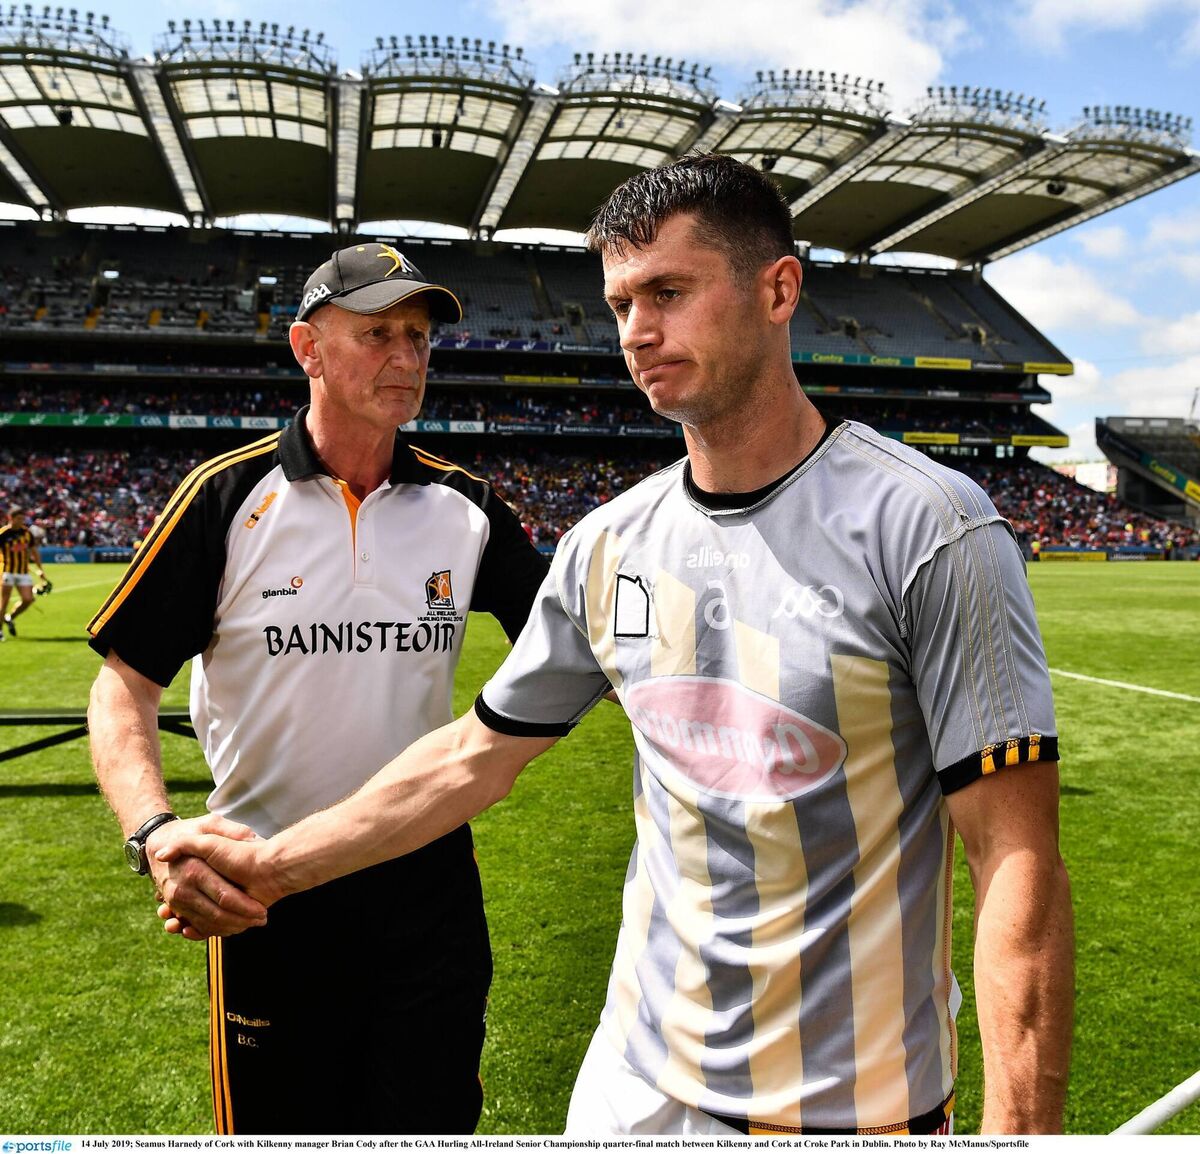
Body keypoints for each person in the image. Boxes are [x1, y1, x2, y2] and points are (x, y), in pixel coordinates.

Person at [158, 156, 1074, 1135]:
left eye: (670, 292)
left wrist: (1020, 1129)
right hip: (628, 1095)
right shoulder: (608, 545)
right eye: (622, 300)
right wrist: (265, 868)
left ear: (779, 288)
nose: (638, 328)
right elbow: (471, 758)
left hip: (845, 1105)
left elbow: (1015, 856)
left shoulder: (932, 526)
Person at [86, 242, 550, 1135]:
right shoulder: (224, 499)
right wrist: (153, 832)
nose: (407, 358)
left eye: (418, 336)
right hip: (267, 893)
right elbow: (123, 688)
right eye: (377, 333)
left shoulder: (469, 509)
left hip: (429, 892)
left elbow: (574, 653)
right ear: (308, 347)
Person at [1, 507, 48, 636]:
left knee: (28, 599)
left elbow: (34, 552)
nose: (21, 521)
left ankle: (9, 618)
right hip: (7, 571)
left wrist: (40, 569)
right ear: (11, 518)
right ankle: (0, 631)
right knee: (4, 602)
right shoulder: (3, 533)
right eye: (19, 519)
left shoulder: (27, 533)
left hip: (23, 572)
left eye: (23, 518)